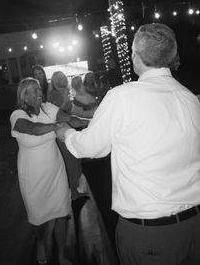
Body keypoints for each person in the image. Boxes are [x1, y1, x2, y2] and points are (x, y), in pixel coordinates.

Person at [56, 23, 200, 265]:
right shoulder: (189, 98)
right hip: (194, 226)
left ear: (136, 55)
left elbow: (90, 147)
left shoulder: (122, 96)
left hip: (150, 235)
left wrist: (66, 133)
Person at [10, 77, 87, 265]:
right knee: (39, 217)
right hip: (32, 174)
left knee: (61, 213)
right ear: (24, 96)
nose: (39, 93)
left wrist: (94, 122)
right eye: (33, 91)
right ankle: (42, 241)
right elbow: (32, 129)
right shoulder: (17, 115)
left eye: (39, 90)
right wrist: (56, 127)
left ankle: (61, 255)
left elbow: (71, 119)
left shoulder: (48, 108)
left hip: (55, 170)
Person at [48, 71, 89, 200]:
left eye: (63, 77)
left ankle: (76, 189)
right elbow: (57, 113)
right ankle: (74, 193)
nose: (62, 80)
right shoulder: (55, 94)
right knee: (70, 161)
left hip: (67, 127)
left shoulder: (65, 91)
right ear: (54, 82)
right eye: (58, 78)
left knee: (75, 159)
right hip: (61, 131)